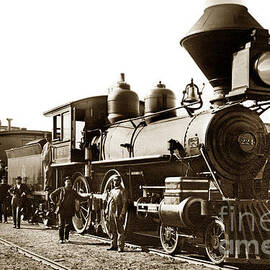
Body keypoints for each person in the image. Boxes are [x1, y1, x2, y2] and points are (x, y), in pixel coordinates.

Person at [49, 176, 90, 244]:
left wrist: (88, 197)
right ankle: (61, 238)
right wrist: (56, 203)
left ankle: (66, 238)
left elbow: (80, 198)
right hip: (62, 209)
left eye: (70, 182)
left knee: (68, 225)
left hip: (69, 210)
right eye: (67, 181)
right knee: (61, 224)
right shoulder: (61, 189)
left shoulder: (73, 192)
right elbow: (51, 195)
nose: (69, 183)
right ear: (65, 183)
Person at [105, 175, 128, 252]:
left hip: (118, 212)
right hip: (111, 212)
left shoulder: (122, 191)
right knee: (112, 229)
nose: (115, 182)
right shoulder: (111, 191)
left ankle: (120, 246)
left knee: (120, 230)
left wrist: (122, 213)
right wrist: (106, 211)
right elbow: (109, 202)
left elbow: (125, 203)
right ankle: (113, 244)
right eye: (114, 180)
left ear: (120, 181)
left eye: (117, 180)